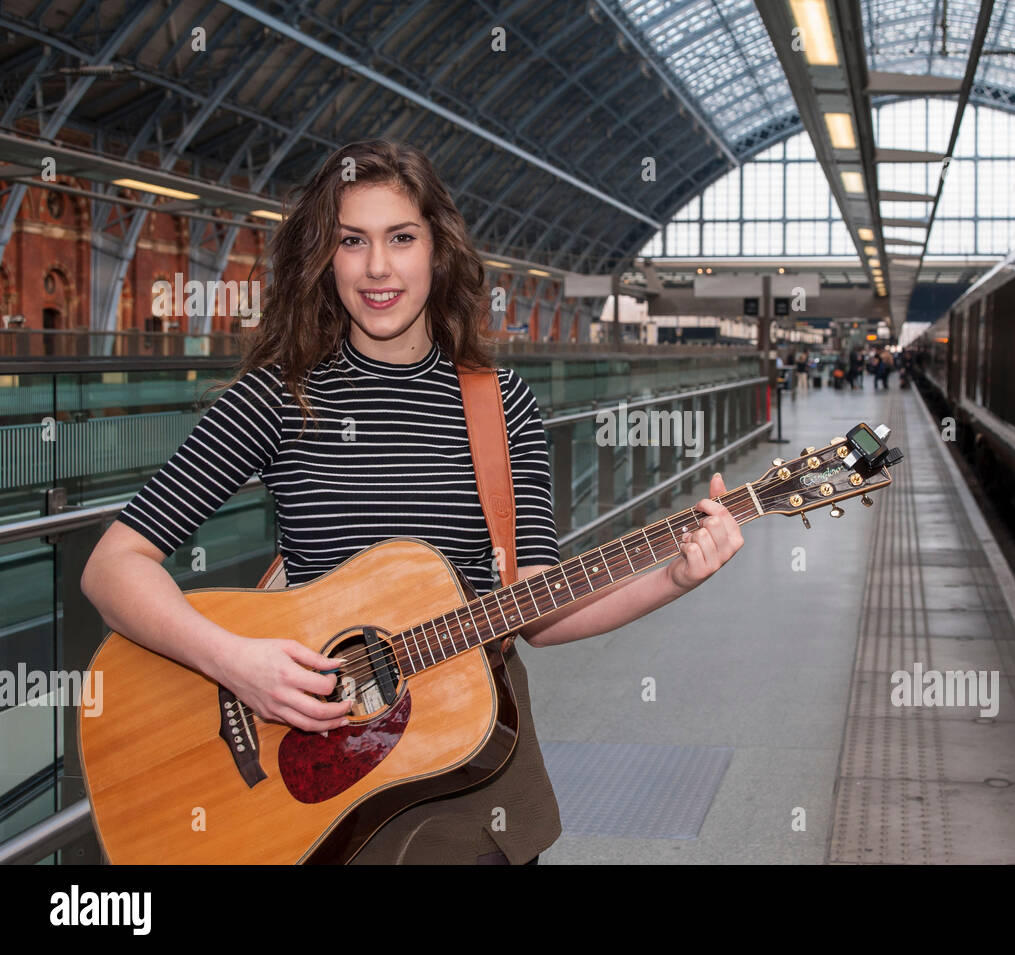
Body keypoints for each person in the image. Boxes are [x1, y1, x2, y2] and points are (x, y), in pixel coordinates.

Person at [79, 140, 745, 865]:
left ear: (438, 250)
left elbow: (538, 611)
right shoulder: (278, 396)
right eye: (351, 241)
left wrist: (671, 577)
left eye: (401, 237)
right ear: (323, 259)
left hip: (459, 768)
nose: (378, 268)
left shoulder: (499, 404)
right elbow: (113, 567)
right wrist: (238, 663)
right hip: (309, 780)